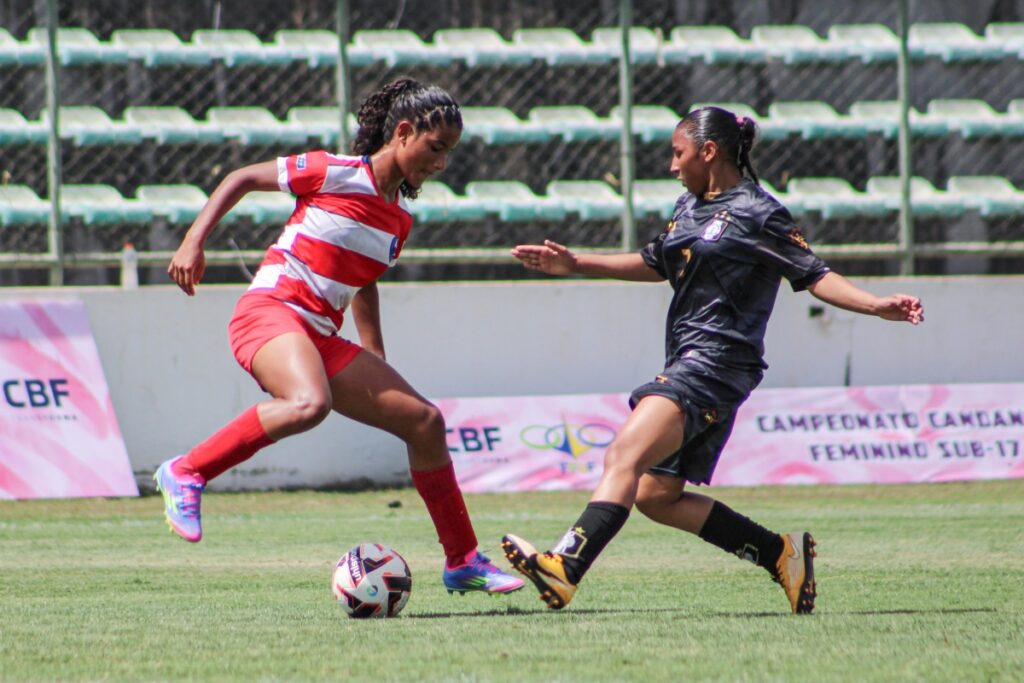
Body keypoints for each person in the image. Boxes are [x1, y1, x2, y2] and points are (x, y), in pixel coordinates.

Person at [501, 106, 924, 613]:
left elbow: (813, 274)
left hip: (716, 363)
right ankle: (781, 554)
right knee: (657, 496)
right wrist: (575, 264)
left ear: (709, 152)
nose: (672, 166)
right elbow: (657, 260)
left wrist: (875, 304)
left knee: (623, 458)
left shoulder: (757, 211)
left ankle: (565, 567)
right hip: (690, 359)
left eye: (678, 154)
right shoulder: (688, 205)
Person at [153, 77, 523, 596]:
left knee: (424, 423)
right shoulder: (335, 172)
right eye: (435, 148)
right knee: (308, 403)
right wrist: (193, 242)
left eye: (449, 154)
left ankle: (462, 561)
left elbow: (363, 279)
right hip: (270, 311)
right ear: (402, 132)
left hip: (320, 335)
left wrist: (374, 356)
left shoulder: (398, 221)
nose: (441, 164)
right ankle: (186, 471)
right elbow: (239, 178)